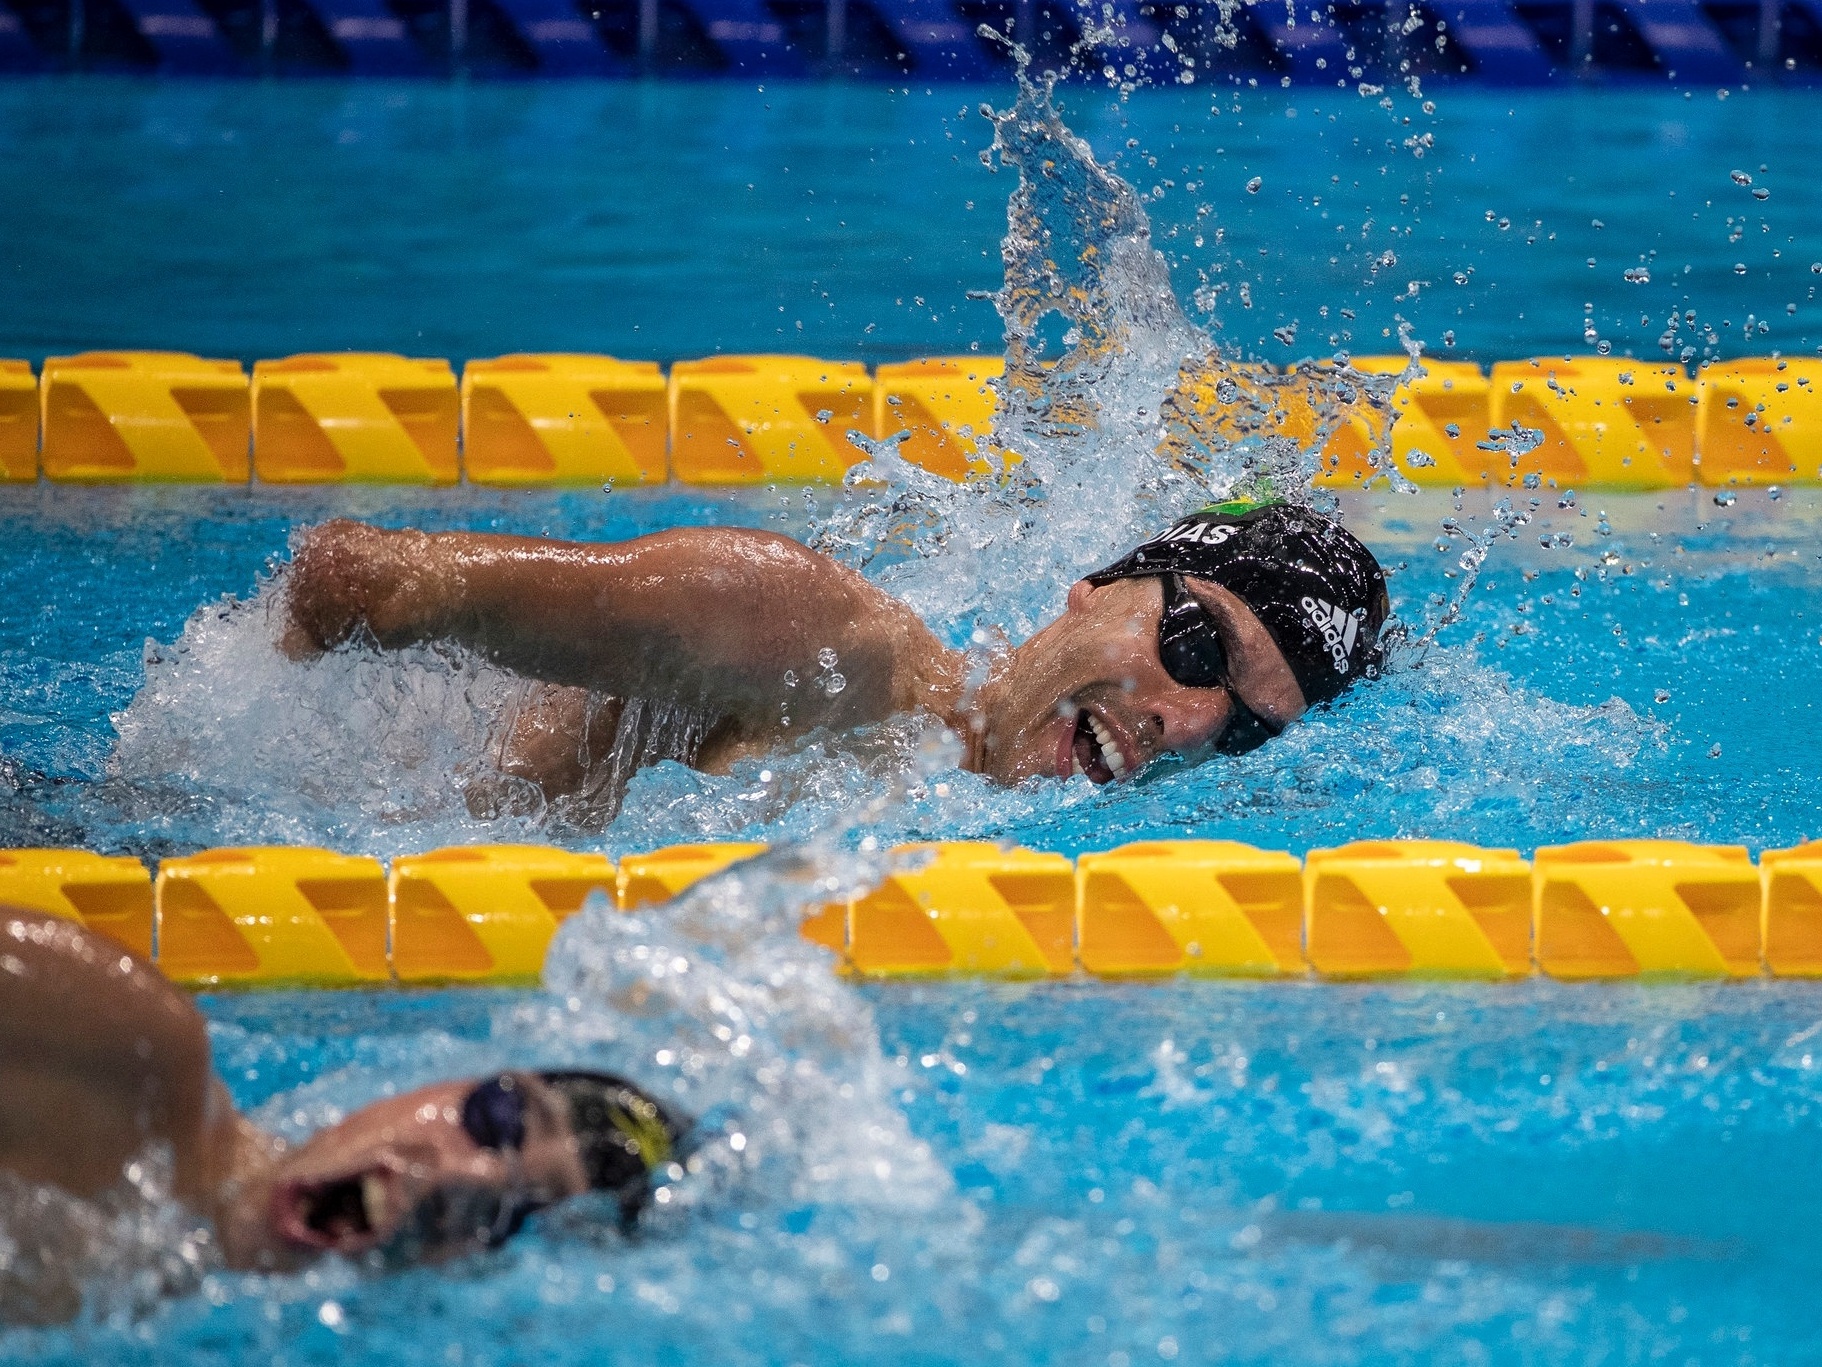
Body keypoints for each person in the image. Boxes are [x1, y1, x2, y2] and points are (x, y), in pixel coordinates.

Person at [280, 500, 1388, 800]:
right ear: (1097, 587)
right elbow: (363, 580)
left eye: (1243, 731)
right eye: (1200, 646)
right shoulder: (813, 643)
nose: (1189, 721)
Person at [0, 908, 686, 1308]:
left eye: (521, 1216)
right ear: (441, 1085)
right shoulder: (126, 1060)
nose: (472, 1179)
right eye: (495, 1117)